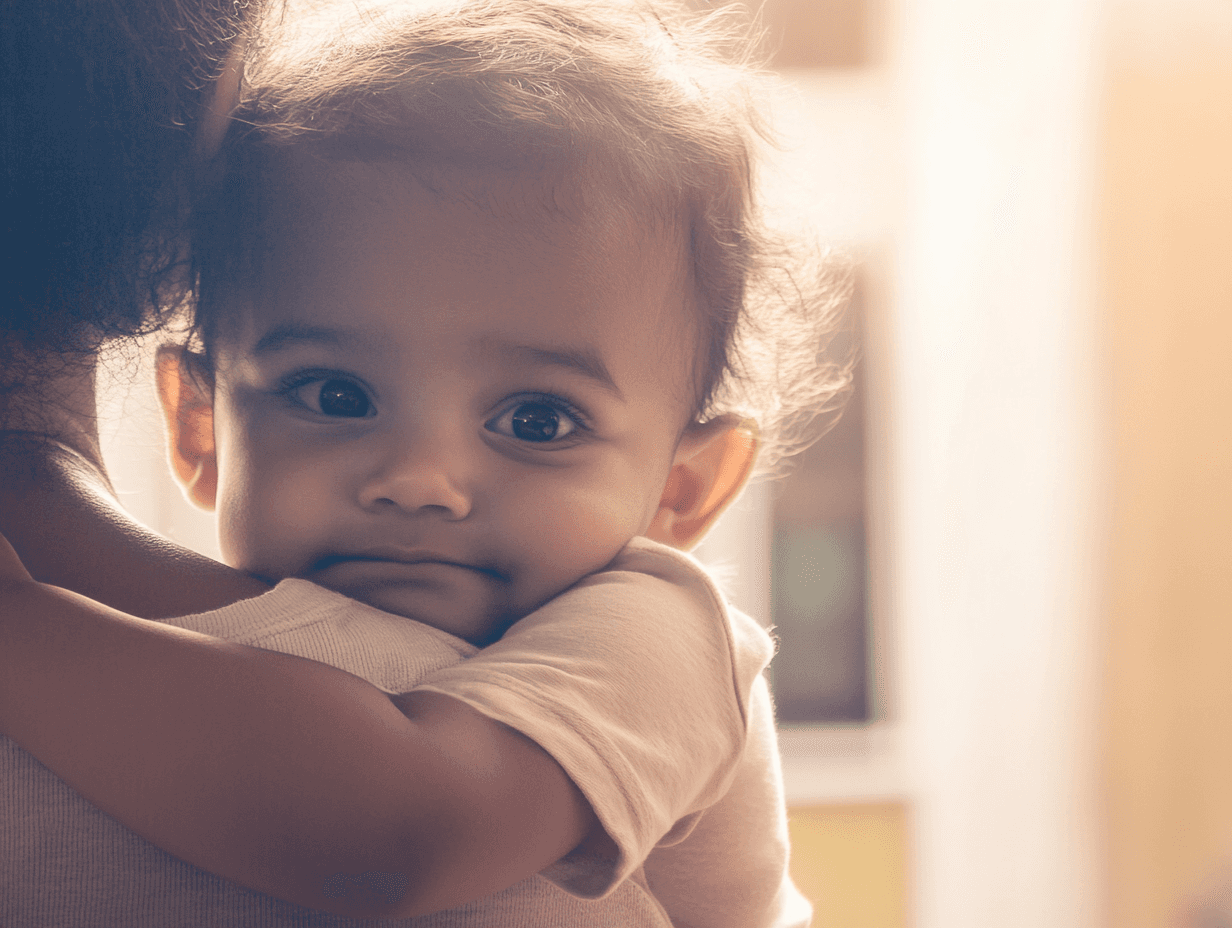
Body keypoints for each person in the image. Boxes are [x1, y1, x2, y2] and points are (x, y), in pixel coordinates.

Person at [0, 0, 850, 923]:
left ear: (683, 489)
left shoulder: (662, 637)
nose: (417, 478)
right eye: (335, 396)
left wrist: (23, 626)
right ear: (201, 430)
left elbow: (401, 831)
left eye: (537, 420)